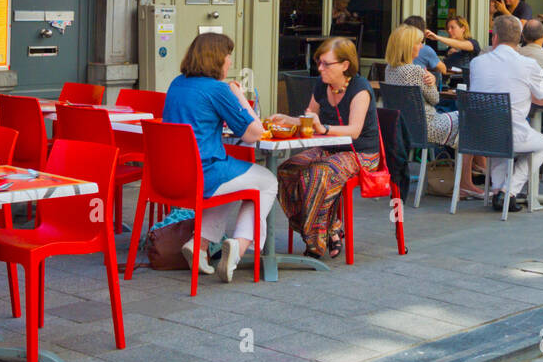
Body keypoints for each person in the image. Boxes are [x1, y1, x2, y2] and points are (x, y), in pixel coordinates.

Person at [162, 32, 276, 282]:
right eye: (228, 55)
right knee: (267, 181)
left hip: (171, 177)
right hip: (204, 174)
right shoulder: (218, 89)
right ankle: (238, 247)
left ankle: (199, 245)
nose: (230, 61)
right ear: (216, 58)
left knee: (232, 183)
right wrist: (239, 96)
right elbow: (254, 134)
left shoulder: (177, 83)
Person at [275, 37, 381, 259]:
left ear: (345, 65)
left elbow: (354, 131)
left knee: (318, 172)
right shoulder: (322, 85)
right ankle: (329, 227)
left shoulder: (360, 89)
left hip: (361, 152)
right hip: (329, 148)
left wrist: (323, 128)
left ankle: (315, 242)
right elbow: (309, 118)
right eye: (319, 63)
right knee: (287, 169)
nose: (320, 68)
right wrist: (286, 119)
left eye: (326, 63)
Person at [468, 15, 543, 213]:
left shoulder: (476, 63)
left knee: (499, 141)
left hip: (479, 137)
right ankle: (509, 190)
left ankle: (499, 190)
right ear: (519, 39)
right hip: (510, 135)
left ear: (495, 37)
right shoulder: (528, 65)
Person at [384, 24, 465, 194]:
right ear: (408, 46)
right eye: (418, 43)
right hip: (428, 127)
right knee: (468, 118)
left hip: (405, 129)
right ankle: (466, 182)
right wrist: (433, 82)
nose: (421, 47)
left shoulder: (389, 69)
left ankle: (470, 176)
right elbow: (435, 99)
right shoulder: (415, 71)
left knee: (465, 120)